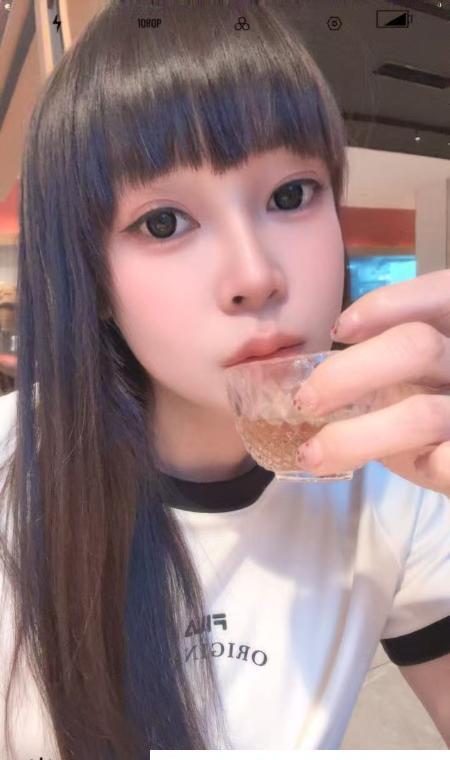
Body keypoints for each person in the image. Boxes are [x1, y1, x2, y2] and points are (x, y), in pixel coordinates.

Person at [0, 1, 449, 758]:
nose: (255, 275)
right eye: (164, 223)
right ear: (94, 280)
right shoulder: (13, 465)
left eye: (290, 195)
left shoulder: (398, 473)